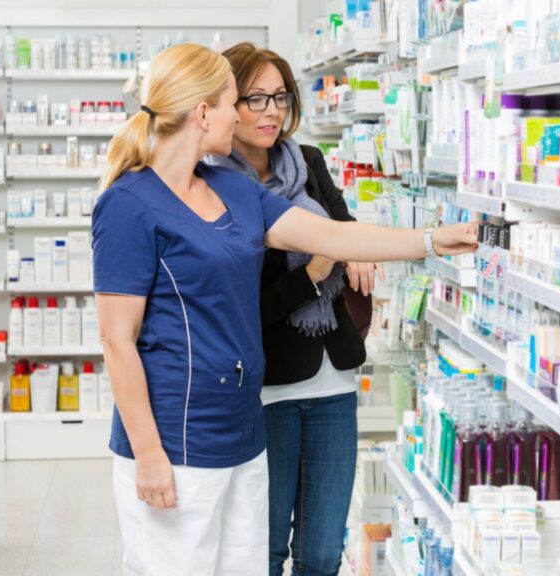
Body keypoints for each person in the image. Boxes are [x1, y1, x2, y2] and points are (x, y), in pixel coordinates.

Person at [93, 43, 476, 576]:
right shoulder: (129, 204)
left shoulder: (231, 189)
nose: (249, 115)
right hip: (176, 439)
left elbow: (333, 235)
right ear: (203, 113)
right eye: (234, 103)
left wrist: (432, 239)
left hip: (242, 433)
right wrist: (148, 454)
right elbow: (117, 340)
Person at [204, 42, 374, 576]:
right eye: (256, 99)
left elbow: (346, 232)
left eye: (280, 97)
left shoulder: (310, 162)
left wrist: (353, 253)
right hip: (268, 388)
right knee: (267, 550)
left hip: (333, 382)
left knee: (323, 554)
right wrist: (314, 273)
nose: (272, 111)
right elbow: (243, 306)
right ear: (226, 103)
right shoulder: (212, 186)